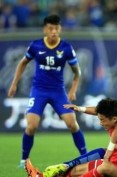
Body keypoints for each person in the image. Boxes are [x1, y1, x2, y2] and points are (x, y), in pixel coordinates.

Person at [7, 14, 86, 167]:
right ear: (45, 29)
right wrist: (14, 83)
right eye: (51, 28)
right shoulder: (36, 45)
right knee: (31, 126)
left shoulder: (66, 48)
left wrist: (73, 90)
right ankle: (24, 160)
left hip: (58, 92)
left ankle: (86, 156)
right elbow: (22, 63)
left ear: (60, 29)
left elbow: (77, 72)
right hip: (39, 90)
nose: (54, 31)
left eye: (57, 28)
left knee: (72, 124)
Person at [24, 98, 117, 177]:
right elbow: (97, 110)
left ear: (114, 119)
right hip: (115, 162)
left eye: (102, 120)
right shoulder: (114, 118)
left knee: (103, 166)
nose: (100, 123)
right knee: (74, 171)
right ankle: (43, 175)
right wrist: (79, 108)